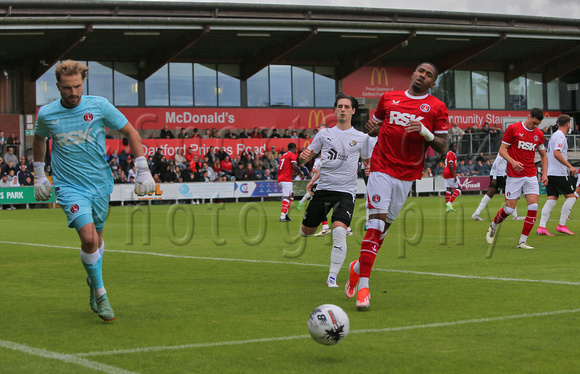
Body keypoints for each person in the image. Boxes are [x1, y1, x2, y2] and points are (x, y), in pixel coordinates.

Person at [32, 60, 155, 322]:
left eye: (77, 86)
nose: (73, 92)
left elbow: (131, 131)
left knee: (96, 242)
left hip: (100, 185)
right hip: (69, 186)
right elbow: (39, 138)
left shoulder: (99, 106)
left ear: (83, 83)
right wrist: (39, 173)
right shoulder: (47, 114)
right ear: (58, 87)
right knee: (88, 239)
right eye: (67, 88)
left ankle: (92, 278)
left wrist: (142, 168)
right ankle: (101, 294)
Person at [344, 62, 448, 310]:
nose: (422, 76)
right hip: (381, 167)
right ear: (413, 74)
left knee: (381, 233)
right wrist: (371, 129)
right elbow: (373, 128)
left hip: (407, 174)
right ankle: (365, 288)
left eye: (429, 75)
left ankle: (357, 268)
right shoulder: (389, 98)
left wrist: (426, 132)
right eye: (420, 71)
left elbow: (443, 146)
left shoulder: (437, 108)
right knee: (375, 225)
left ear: (433, 83)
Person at [299, 93, 372, 287]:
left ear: (353, 111)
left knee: (339, 231)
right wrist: (303, 157)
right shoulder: (324, 134)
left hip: (346, 192)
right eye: (340, 106)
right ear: (335, 110)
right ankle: (308, 225)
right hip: (323, 190)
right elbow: (304, 159)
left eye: (347, 107)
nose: (343, 110)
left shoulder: (362, 138)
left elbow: (367, 161)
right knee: (306, 231)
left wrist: (370, 170)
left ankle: (332, 277)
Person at [485, 108, 548, 249]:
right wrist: (513, 162)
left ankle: (522, 242)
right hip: (514, 175)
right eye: (533, 122)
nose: (535, 126)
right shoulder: (513, 129)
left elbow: (543, 155)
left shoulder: (539, 134)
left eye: (537, 124)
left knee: (533, 206)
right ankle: (493, 225)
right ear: (528, 116)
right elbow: (502, 149)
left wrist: (544, 173)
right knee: (508, 209)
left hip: (530, 174)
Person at [536, 114, 577, 236]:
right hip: (559, 173)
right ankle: (562, 225)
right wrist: (569, 166)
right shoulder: (560, 136)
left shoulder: (554, 135)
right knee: (571, 197)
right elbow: (556, 153)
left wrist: (546, 172)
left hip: (551, 173)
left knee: (551, 200)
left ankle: (542, 227)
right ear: (568, 124)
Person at [472, 153, 522, 221]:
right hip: (499, 175)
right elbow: (496, 163)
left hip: (496, 175)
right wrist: (494, 178)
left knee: (489, 194)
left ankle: (476, 213)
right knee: (511, 192)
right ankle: (515, 216)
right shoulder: (505, 151)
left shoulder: (506, 151)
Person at [277, 142, 303, 222]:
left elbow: (286, 167)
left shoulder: (284, 155)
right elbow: (294, 165)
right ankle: (282, 217)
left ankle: (286, 214)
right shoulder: (292, 155)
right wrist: (300, 173)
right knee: (287, 197)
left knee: (291, 195)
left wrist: (292, 171)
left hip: (281, 178)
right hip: (286, 179)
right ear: (294, 148)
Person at [443, 142, 461, 212]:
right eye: (454, 147)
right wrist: (454, 175)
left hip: (446, 173)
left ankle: (448, 208)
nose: (455, 148)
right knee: (459, 188)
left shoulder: (449, 153)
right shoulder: (451, 153)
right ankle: (449, 203)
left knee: (448, 189)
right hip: (450, 173)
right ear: (450, 147)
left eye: (456, 147)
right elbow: (450, 164)